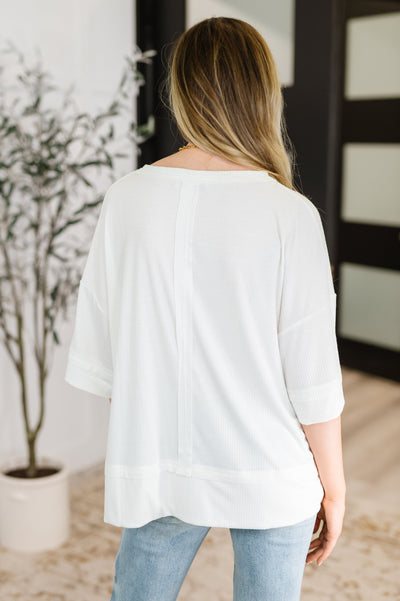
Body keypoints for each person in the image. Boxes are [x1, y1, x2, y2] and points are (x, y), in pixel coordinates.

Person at [65, 16, 346, 601]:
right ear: (263, 94)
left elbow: (113, 358)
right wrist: (334, 486)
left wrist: (156, 440)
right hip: (271, 466)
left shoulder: (126, 199)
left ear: (183, 91)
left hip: (160, 466)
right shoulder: (289, 213)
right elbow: (312, 377)